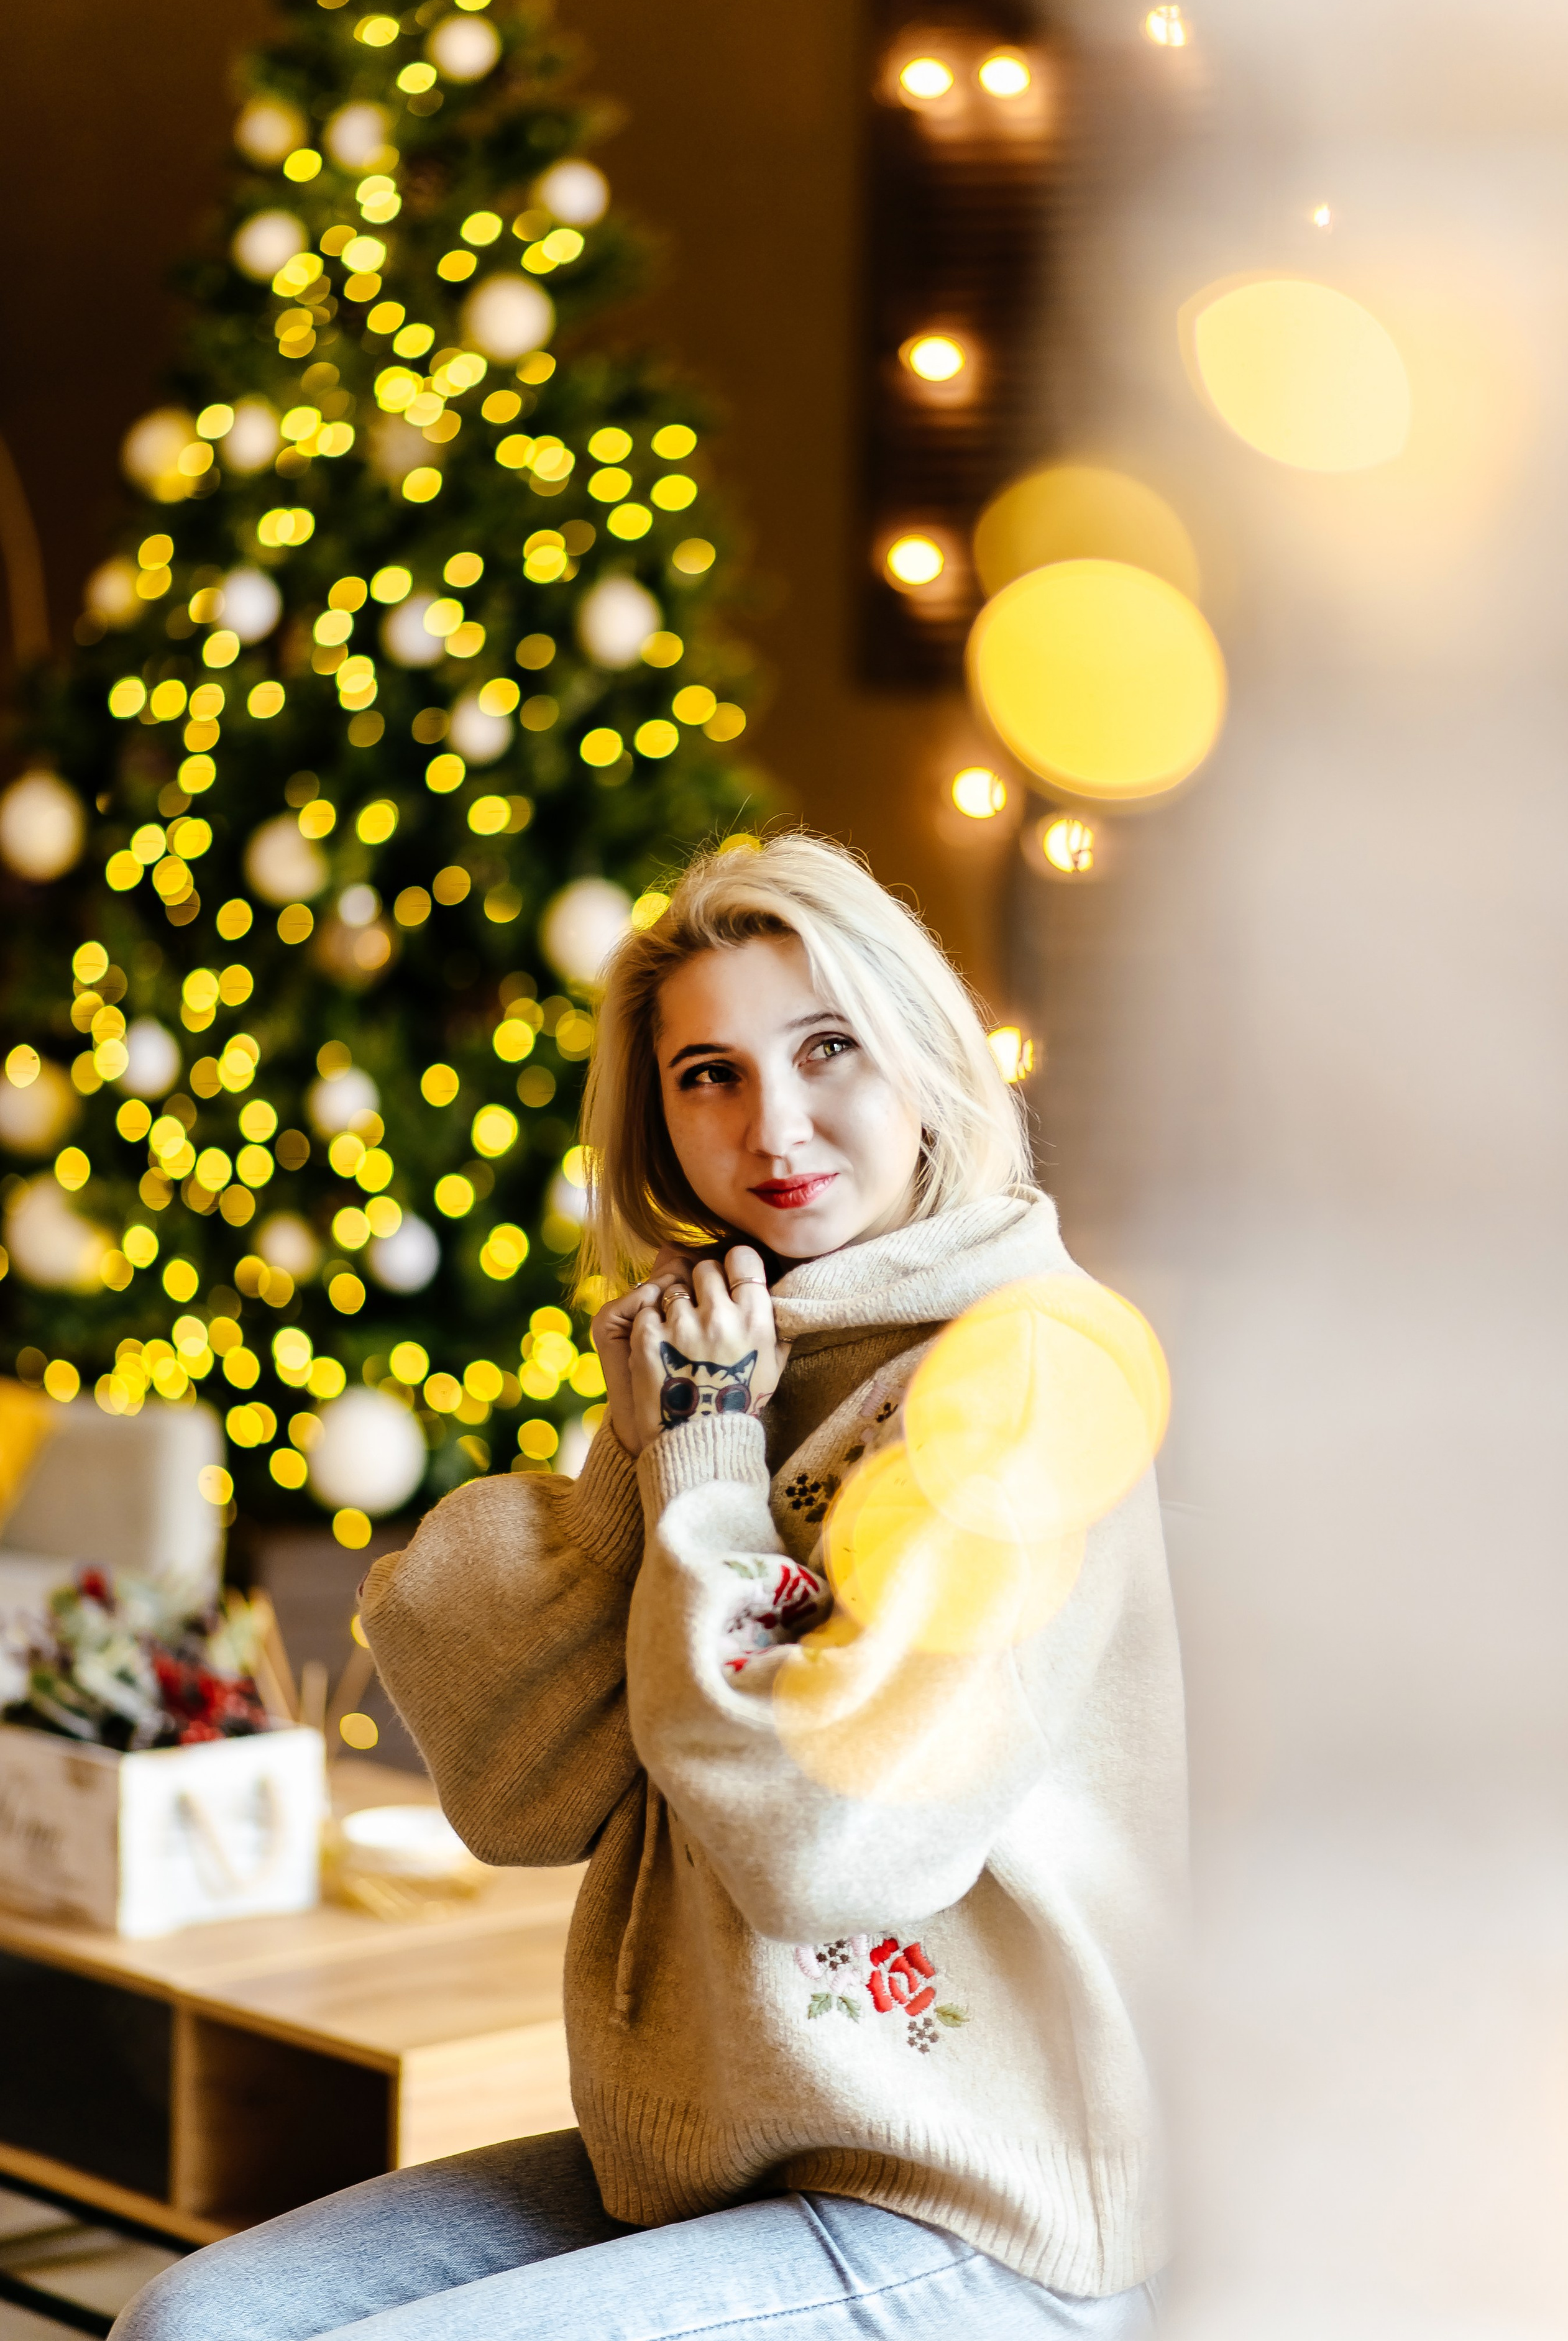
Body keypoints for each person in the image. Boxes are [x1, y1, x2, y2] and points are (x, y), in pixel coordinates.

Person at [112, 832, 1185, 2341]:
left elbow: (821, 1840)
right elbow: (518, 1788)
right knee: (194, 2324)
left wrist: (696, 1445)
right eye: (709, 1075)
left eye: (828, 1049)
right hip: (717, 2168)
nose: (777, 1125)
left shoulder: (1022, 1375)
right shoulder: (732, 1363)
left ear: (927, 1059)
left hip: (974, 2211)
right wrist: (667, 1441)